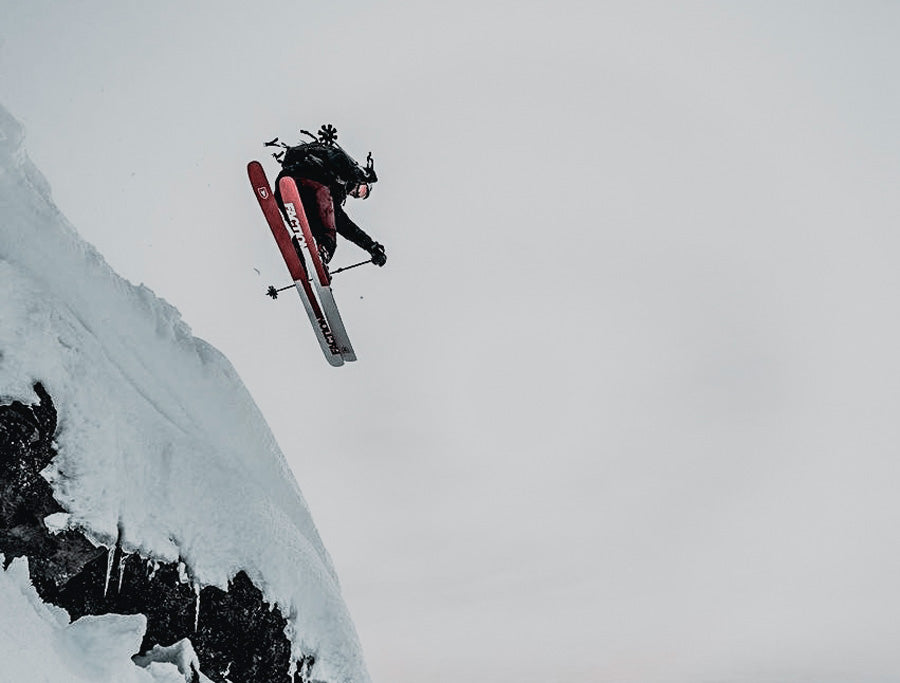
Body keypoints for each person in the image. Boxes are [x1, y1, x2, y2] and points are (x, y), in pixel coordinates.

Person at [272, 125, 386, 269]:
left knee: (311, 233)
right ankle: (321, 254)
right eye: (361, 190)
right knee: (328, 235)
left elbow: (345, 226)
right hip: (308, 181)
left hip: (287, 187)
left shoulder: (336, 194)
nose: (355, 194)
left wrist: (370, 246)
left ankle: (301, 259)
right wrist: (359, 173)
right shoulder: (342, 171)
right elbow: (336, 158)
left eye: (360, 196)